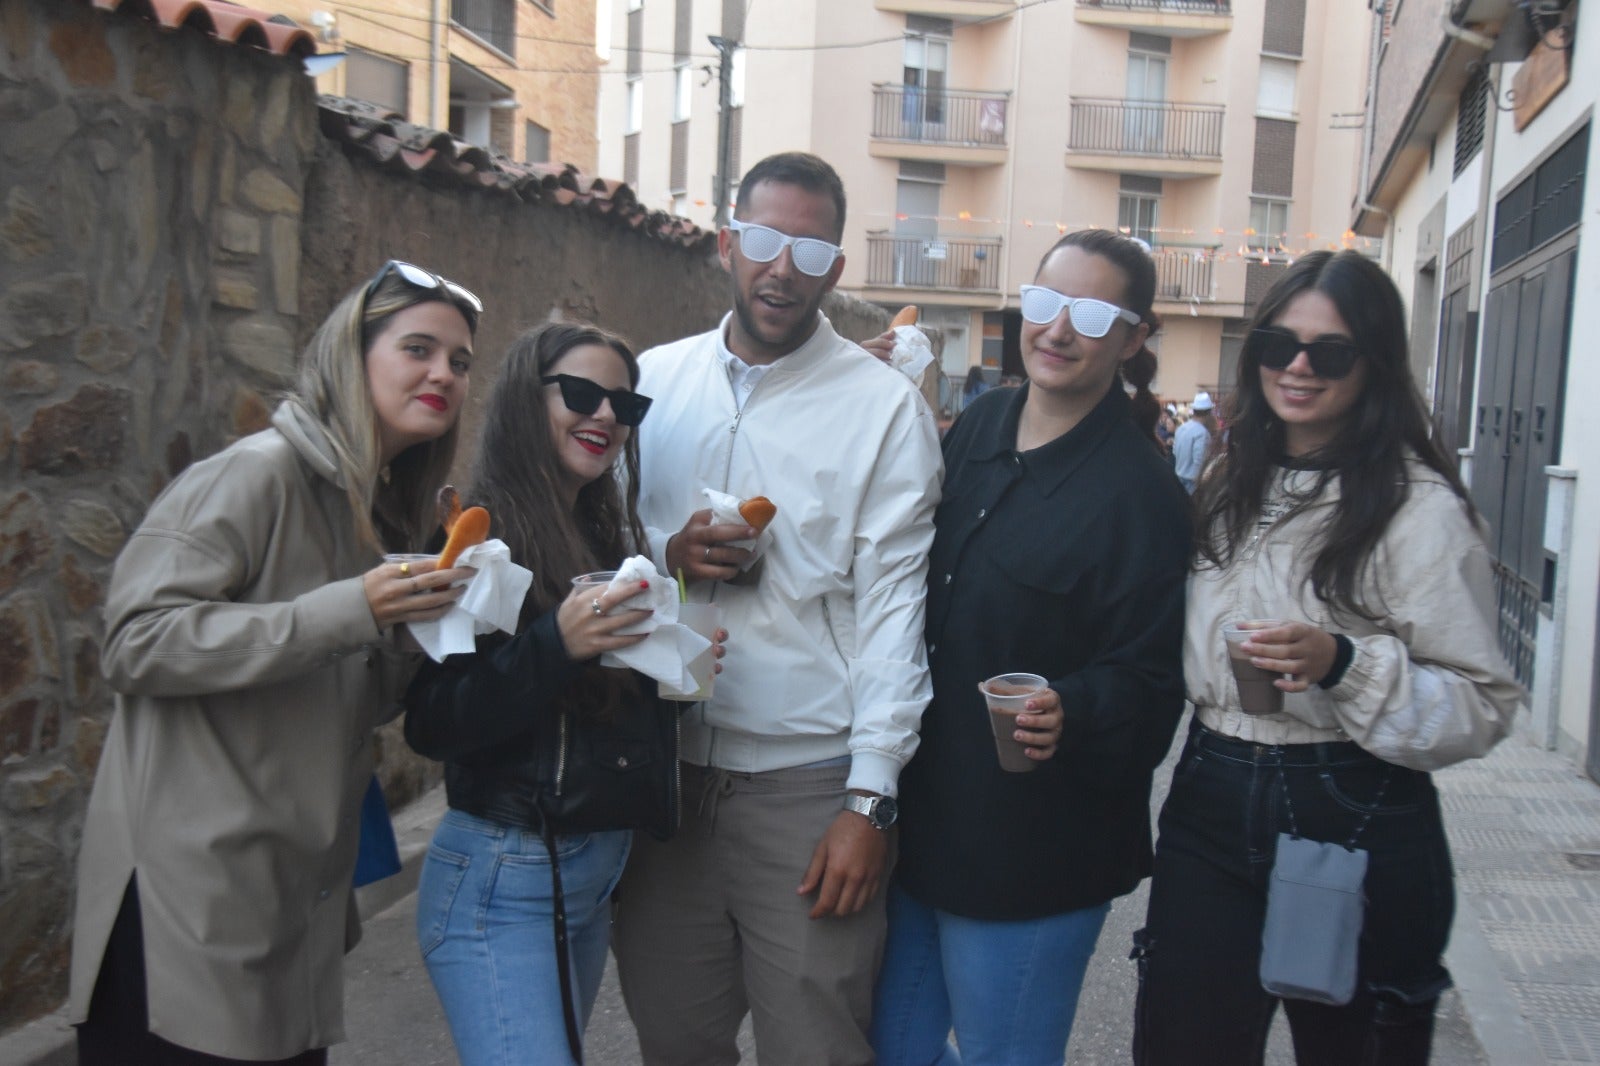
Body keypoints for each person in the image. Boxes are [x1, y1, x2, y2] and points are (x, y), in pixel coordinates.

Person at [69, 261, 482, 1063]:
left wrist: (418, 626)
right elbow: (133, 642)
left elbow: (344, 698)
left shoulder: (377, 511)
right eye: (419, 348)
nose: (443, 373)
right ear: (351, 356)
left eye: (460, 361)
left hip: (295, 909)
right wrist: (349, 610)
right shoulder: (255, 474)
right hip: (186, 913)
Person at [1133, 251, 1523, 1065]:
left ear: (1374, 364)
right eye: (1280, 344)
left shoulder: (1420, 509)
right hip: (1212, 788)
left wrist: (1343, 662)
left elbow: (1481, 704)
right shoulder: (1227, 478)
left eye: (1331, 352)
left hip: (1355, 808)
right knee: (1181, 1042)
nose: (1299, 367)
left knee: (1354, 1049)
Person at [610, 151, 943, 1066]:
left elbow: (894, 614)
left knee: (817, 1048)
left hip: (806, 783)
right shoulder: (654, 383)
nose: (781, 267)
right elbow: (596, 559)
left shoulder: (882, 410)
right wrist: (666, 559)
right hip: (664, 776)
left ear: (836, 268)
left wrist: (869, 801)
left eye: (808, 248)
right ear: (727, 243)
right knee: (675, 1042)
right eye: (762, 239)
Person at [872, 230, 1192, 1065]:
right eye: (1045, 303)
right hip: (926, 820)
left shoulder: (1141, 494)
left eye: (1089, 313)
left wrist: (1073, 707)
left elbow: (1155, 678)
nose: (1056, 329)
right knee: (889, 1047)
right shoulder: (979, 424)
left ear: (1132, 337)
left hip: (1035, 851)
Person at [402, 322, 724, 1065]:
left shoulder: (604, 533)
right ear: (526, 399)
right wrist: (557, 645)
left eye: (623, 403)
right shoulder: (475, 538)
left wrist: (679, 660)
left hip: (585, 879)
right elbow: (431, 719)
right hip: (499, 882)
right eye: (581, 393)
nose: (606, 416)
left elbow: (591, 715)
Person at [1172, 389, 1217, 493]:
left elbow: (1175, 451)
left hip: (1178, 478)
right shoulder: (1202, 433)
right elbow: (1199, 461)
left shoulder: (1181, 428)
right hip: (1192, 484)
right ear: (1208, 412)